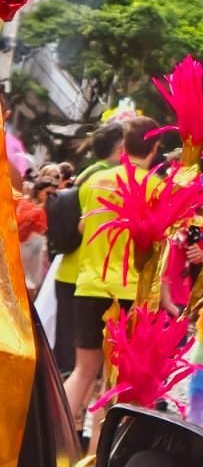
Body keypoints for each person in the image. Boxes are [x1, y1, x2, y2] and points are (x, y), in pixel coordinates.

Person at [62, 115, 161, 439]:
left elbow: (81, 226)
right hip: (130, 291)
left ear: (123, 147)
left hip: (89, 284)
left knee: (82, 371)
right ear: (155, 148)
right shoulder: (156, 188)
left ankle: (47, 448)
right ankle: (95, 463)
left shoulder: (95, 182)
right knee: (115, 381)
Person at [46, 122, 124, 375]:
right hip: (81, 273)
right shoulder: (104, 178)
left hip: (77, 271)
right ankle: (68, 413)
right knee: (75, 363)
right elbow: (84, 225)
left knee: (76, 361)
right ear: (122, 147)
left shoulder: (91, 172)